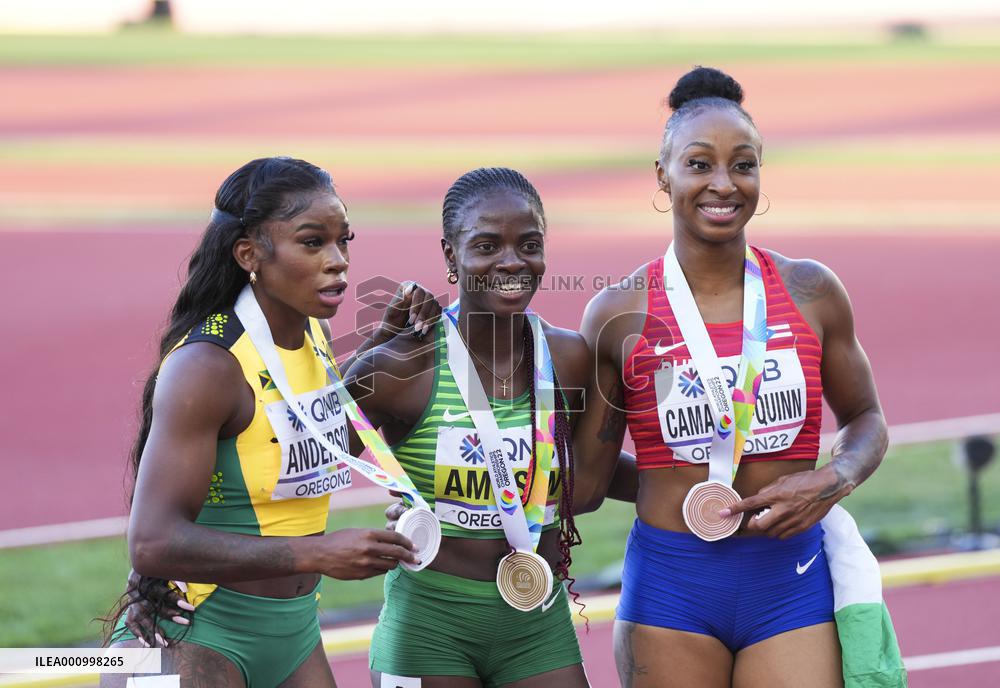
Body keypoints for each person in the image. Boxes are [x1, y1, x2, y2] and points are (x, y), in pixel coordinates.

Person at [572, 67, 893, 687]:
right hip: (671, 586)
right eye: (699, 164)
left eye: (742, 165)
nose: (723, 184)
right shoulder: (618, 313)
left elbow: (867, 418)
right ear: (662, 175)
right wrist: (674, 482)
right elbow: (586, 482)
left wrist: (834, 478)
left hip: (788, 581)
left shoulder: (811, 292)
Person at [103, 156, 442, 688]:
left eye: (343, 240)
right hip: (198, 635)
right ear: (250, 255)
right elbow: (150, 543)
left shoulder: (309, 334)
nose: (338, 262)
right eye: (313, 243)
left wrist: (383, 347)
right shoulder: (207, 367)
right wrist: (319, 551)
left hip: (293, 635)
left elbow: (312, 434)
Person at [353, 167, 592, 687]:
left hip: (537, 618)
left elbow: (586, 477)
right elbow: (316, 450)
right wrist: (376, 341)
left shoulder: (569, 356)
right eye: (486, 245)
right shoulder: (401, 365)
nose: (511, 262)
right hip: (430, 623)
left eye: (528, 244)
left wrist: (675, 488)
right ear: (449, 256)